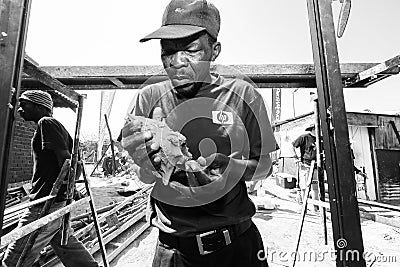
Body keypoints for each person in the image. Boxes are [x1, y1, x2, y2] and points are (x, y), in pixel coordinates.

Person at [119, 0, 277, 266]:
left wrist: (231, 167)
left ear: (214, 51)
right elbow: (142, 177)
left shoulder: (243, 95)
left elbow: (265, 167)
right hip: (173, 252)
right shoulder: (149, 98)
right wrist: (147, 165)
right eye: (167, 51)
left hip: (236, 249)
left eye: (191, 50)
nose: (177, 62)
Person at [2, 90, 99, 267]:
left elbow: (66, 160)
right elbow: (70, 161)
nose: (20, 108)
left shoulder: (46, 123)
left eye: (24, 104)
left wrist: (66, 190)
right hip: (55, 199)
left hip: (45, 201)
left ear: (39, 106)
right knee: (64, 242)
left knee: (16, 257)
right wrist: (69, 190)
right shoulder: (53, 125)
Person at [291, 123, 319, 211]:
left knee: (315, 187)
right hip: (305, 165)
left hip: (316, 166)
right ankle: (304, 206)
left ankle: (315, 207)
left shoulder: (319, 139)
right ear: (312, 129)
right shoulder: (304, 137)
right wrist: (295, 158)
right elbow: (292, 146)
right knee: (304, 187)